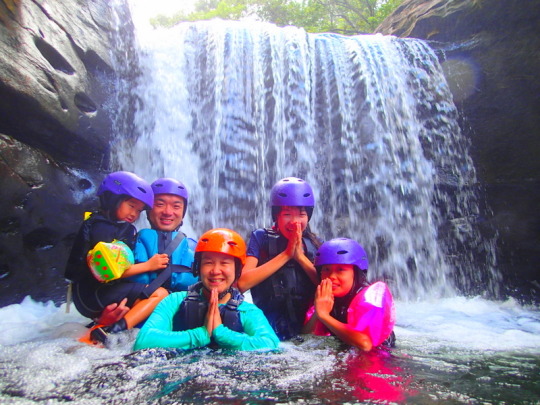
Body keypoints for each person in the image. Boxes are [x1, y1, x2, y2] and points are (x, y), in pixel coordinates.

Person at [64, 171, 170, 343]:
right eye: (131, 205)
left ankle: (111, 331)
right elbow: (108, 271)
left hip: (91, 295)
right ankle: (109, 330)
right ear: (113, 199)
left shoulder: (111, 226)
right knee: (159, 293)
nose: (134, 214)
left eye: (139, 210)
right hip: (92, 296)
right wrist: (149, 265)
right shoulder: (102, 228)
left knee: (142, 298)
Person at [134, 228, 279, 351]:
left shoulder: (247, 311)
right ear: (198, 267)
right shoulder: (174, 301)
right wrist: (201, 335)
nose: (216, 271)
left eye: (224, 263)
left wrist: (221, 333)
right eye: (208, 263)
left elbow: (271, 345)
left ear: (237, 270)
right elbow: (143, 342)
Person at [237, 177, 322, 341]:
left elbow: (328, 288)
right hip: (268, 329)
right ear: (276, 216)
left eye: (301, 214)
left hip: (308, 331)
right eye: (287, 214)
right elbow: (241, 283)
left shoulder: (316, 244)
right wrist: (286, 255)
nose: (295, 222)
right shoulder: (260, 238)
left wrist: (300, 257)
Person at [303, 238, 396, 351]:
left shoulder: (371, 296)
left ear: (356, 273)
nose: (331, 276)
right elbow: (305, 337)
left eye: (340, 269)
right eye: (326, 269)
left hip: (379, 357)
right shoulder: (324, 296)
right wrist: (318, 313)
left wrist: (324, 316)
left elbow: (365, 344)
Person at [128, 177, 197, 293]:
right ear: (148, 210)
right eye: (160, 204)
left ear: (183, 212)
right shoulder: (127, 243)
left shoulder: (198, 250)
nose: (168, 212)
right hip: (135, 303)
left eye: (176, 206)